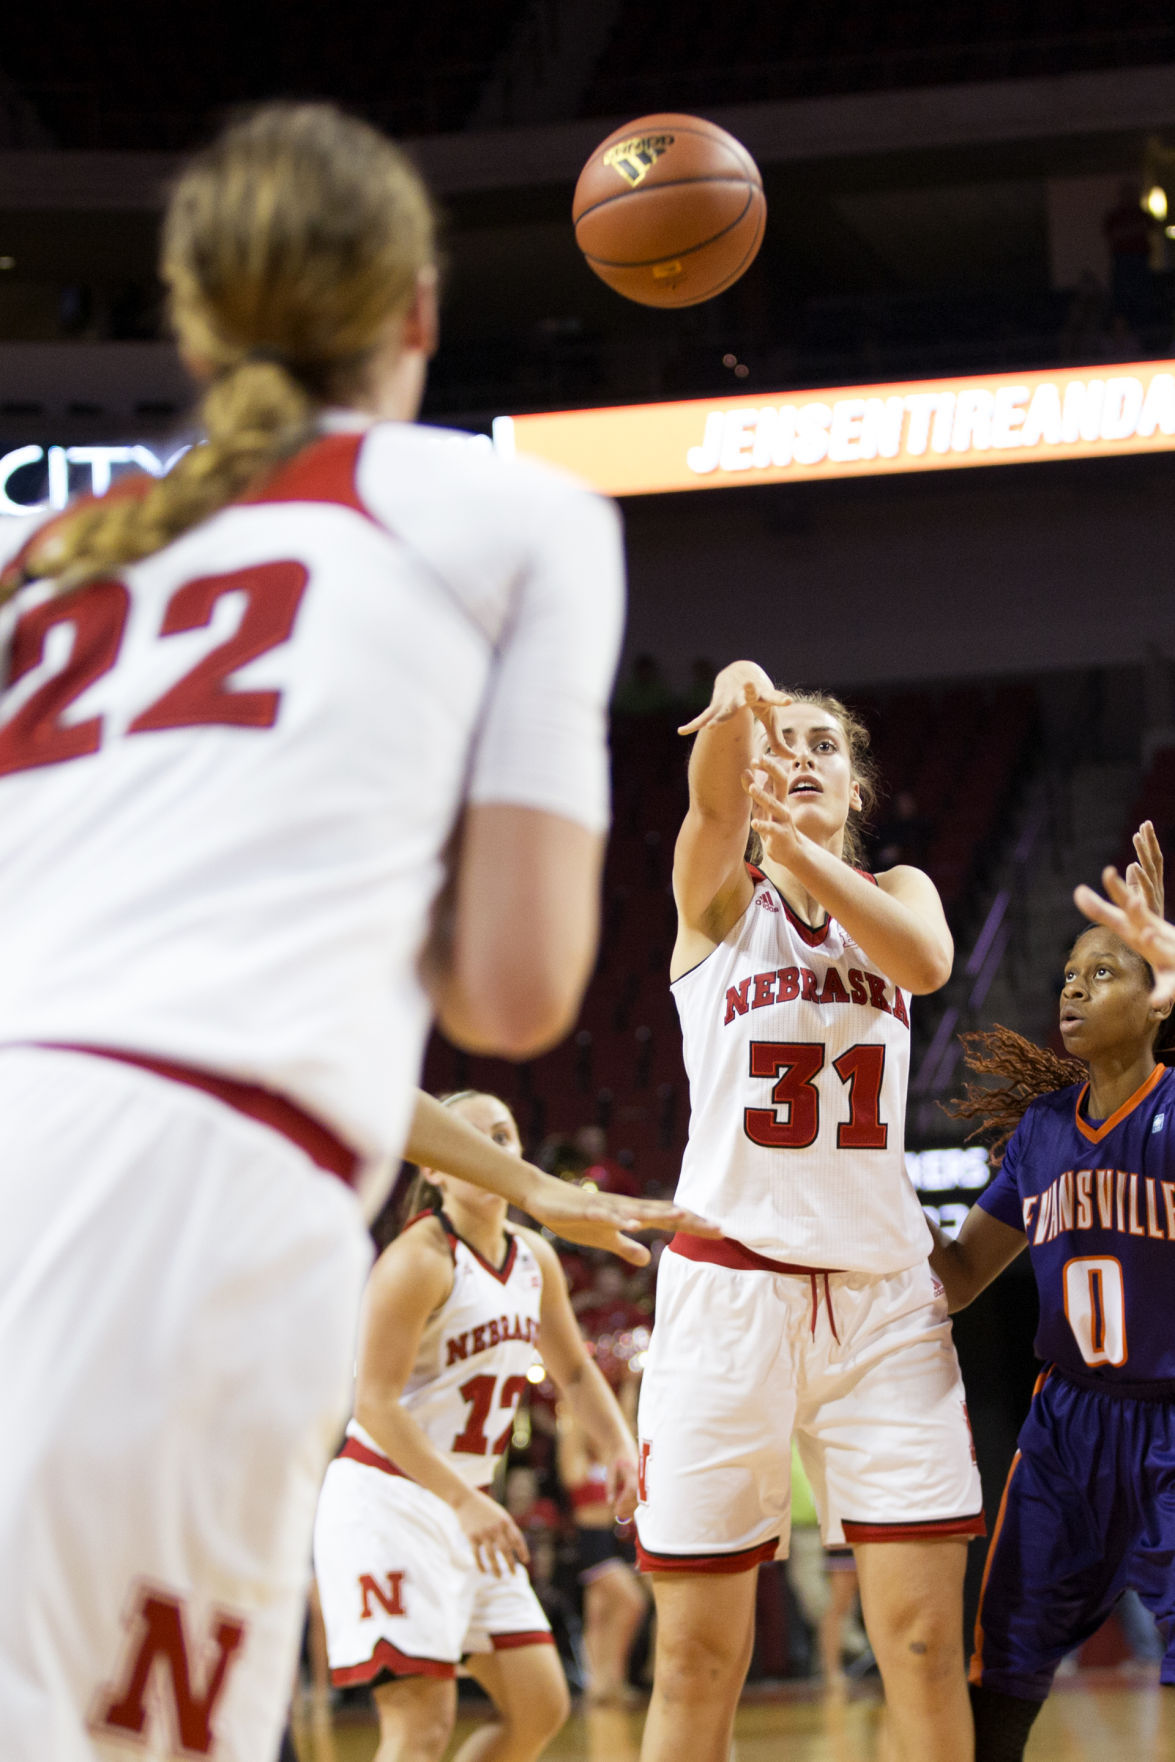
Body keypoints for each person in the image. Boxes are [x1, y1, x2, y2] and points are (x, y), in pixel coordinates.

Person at [0, 102, 713, 1762]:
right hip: (184, 1211)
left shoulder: (42, 557)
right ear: (415, 315)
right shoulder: (509, 519)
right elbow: (516, 989)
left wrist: (535, 1192)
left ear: (195, 328)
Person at [635, 659, 982, 1762]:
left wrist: (796, 850)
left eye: (823, 745)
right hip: (728, 1295)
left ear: (854, 787)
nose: (799, 759)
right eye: (779, 745)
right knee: (695, 1656)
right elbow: (704, 801)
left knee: (925, 1642)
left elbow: (924, 962)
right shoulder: (718, 904)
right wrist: (739, 695)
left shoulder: (905, 893)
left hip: (880, 1303)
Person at [930, 823, 1175, 1760]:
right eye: (1067, 974)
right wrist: (873, 1210)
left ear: (1157, 1000)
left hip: (1167, 1418)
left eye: (1103, 972)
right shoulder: (1037, 1133)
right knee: (1003, 1662)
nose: (1072, 986)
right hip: (1067, 1425)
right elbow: (956, 1280)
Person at [313, 1090, 640, 1762]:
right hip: (390, 1500)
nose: (495, 1150)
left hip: (468, 1505)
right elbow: (373, 1403)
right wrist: (463, 1500)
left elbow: (574, 1373)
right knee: (420, 1725)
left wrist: (620, 1449)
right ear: (433, 1165)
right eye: (474, 1138)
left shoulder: (532, 1258)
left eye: (505, 1135)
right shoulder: (418, 1261)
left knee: (539, 1707)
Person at [558, 1348, 650, 1706]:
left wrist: (629, 1383)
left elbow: (625, 1427)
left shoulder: (613, 1455)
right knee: (632, 1602)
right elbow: (571, 1477)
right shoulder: (576, 1454)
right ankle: (609, 1678)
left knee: (600, 1616)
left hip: (613, 1539)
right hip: (589, 1542)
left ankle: (603, 1684)